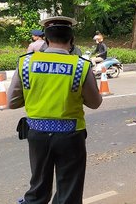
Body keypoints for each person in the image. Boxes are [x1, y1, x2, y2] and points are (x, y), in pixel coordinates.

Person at [7, 16, 103, 203]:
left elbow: (12, 102)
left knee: (38, 188)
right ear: (71, 39)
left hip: (37, 134)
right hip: (70, 136)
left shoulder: (26, 63)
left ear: (46, 38)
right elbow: (95, 103)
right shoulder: (80, 66)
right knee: (69, 192)